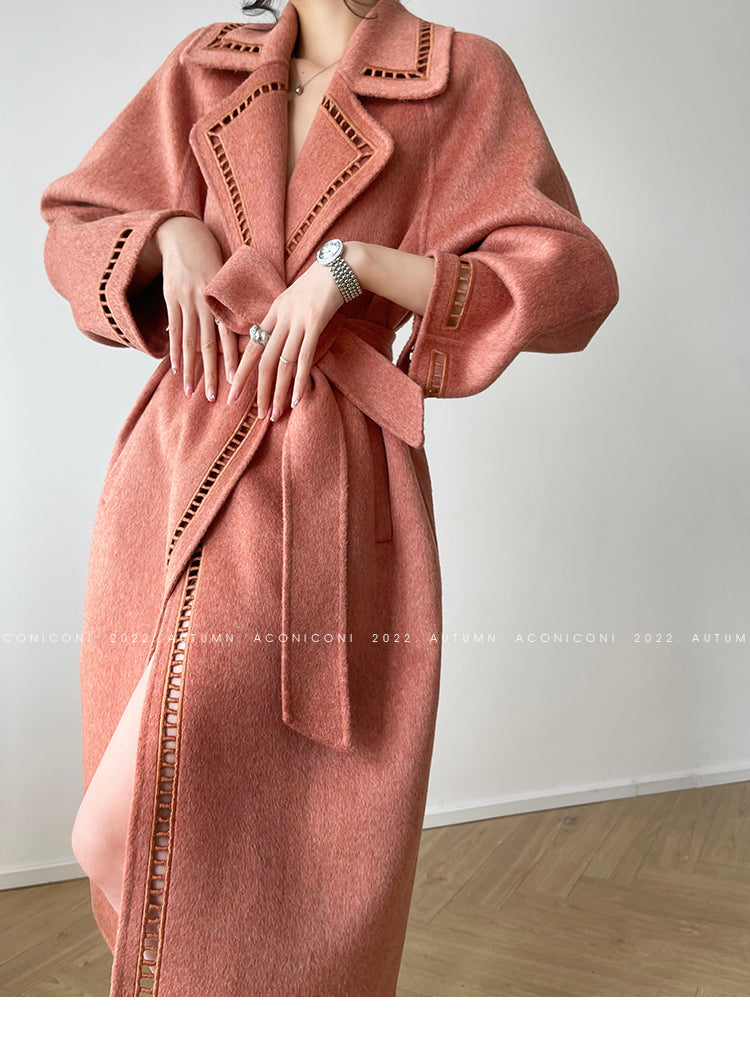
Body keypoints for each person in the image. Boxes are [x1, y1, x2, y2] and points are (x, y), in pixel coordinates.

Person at [39, 0, 619, 996]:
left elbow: (570, 279)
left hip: (329, 481)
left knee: (238, 832)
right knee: (127, 832)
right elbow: (75, 222)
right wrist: (168, 230)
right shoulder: (206, 65)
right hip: (174, 465)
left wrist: (358, 270)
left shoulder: (458, 73)